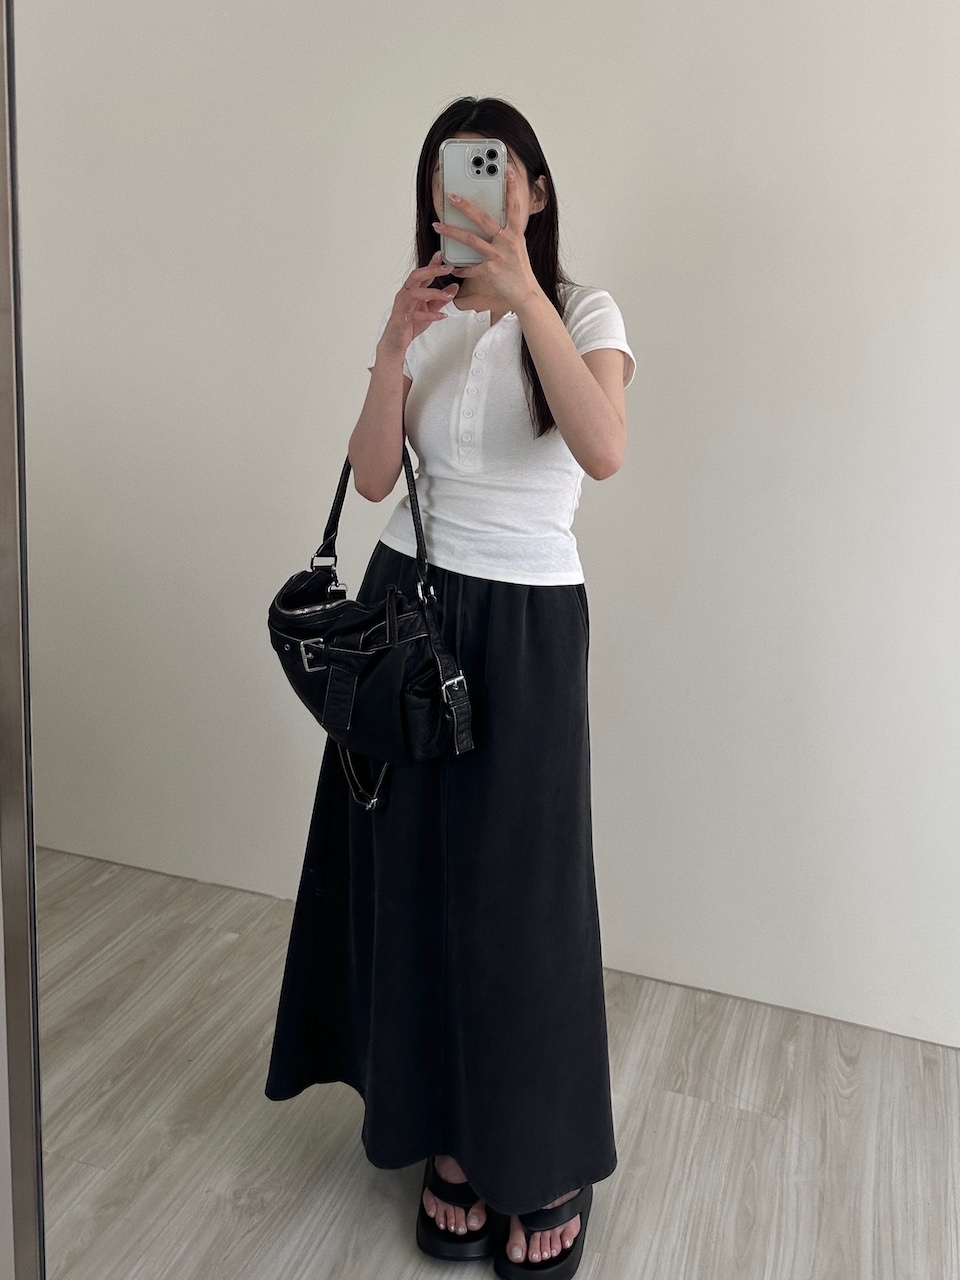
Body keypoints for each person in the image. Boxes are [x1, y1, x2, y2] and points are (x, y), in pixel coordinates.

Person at [264, 96, 636, 1279]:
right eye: (448, 177)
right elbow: (375, 478)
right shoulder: (421, 317)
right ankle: (453, 1139)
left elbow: (604, 448)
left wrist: (523, 296)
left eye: (492, 170)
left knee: (522, 901)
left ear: (534, 188)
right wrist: (390, 347)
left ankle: (542, 1159)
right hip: (406, 616)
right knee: (416, 878)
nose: (468, 192)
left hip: (526, 622)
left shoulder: (583, 309)